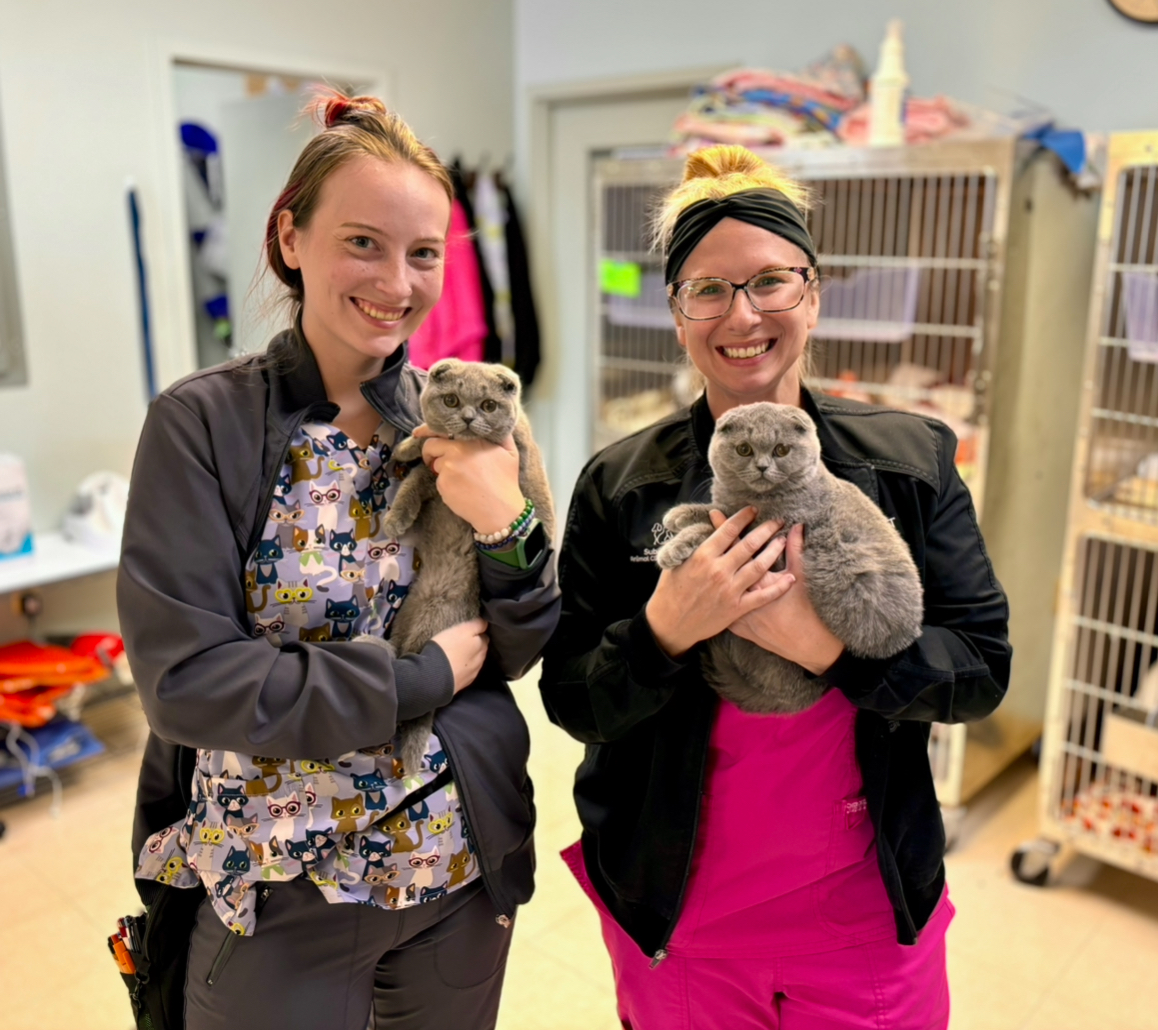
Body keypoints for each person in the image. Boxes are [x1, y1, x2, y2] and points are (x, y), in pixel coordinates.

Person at [540, 145, 1010, 1029]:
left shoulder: (910, 462)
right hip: (680, 918)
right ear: (677, 316)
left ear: (814, 294)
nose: (741, 314)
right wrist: (663, 632)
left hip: (865, 915)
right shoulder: (621, 485)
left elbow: (981, 668)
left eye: (770, 283)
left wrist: (828, 650)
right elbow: (571, 700)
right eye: (708, 290)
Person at [119, 93, 559, 1030]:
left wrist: (505, 522)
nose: (397, 281)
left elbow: (521, 644)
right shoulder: (204, 426)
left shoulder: (473, 415)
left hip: (456, 868)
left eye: (424, 253)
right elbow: (188, 684)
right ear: (292, 236)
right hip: (279, 883)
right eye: (364, 242)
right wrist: (415, 679)